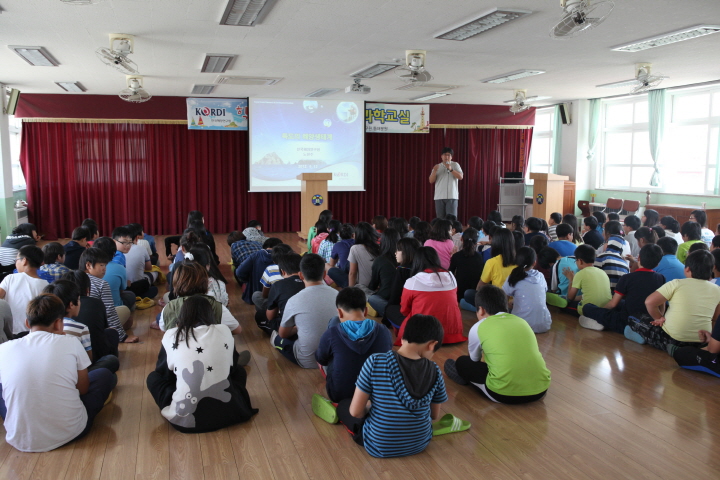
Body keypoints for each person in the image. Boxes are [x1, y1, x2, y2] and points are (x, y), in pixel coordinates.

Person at [318, 314, 447, 458]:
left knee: (345, 405)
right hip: (420, 443)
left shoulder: (375, 361)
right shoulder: (435, 370)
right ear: (432, 344)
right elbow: (434, 415)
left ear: (404, 336)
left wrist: (369, 407)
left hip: (378, 444)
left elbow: (355, 413)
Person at [0, 293, 116, 452]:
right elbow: (83, 389)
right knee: (105, 375)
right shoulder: (70, 342)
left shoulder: (4, 348)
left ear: (27, 323)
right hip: (70, 432)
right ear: (58, 323)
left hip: (19, 439)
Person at [146, 296, 257, 433]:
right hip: (232, 414)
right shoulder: (223, 330)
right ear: (210, 314)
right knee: (240, 371)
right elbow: (233, 368)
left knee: (153, 378)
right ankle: (230, 402)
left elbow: (163, 373)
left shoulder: (171, 335)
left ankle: (179, 403)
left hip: (185, 422)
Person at [444, 285, 550, 404]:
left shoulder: (479, 326)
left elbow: (474, 359)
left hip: (502, 394)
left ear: (481, 310)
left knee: (462, 362)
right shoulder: (522, 321)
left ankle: (465, 378)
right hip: (541, 390)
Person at [625, 250, 720, 352]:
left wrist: (658, 318)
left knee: (634, 318)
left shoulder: (677, 283)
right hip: (703, 340)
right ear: (712, 269)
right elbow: (715, 319)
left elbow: (649, 302)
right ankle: (687, 351)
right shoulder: (717, 289)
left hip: (672, 339)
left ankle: (673, 348)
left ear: (687, 269)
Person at [315, 288, 393, 403]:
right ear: (366, 311)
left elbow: (321, 359)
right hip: (376, 396)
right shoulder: (384, 331)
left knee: (330, 351)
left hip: (340, 395)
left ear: (340, 312)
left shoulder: (332, 333)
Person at [580, 244, 666, 333]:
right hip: (648, 320)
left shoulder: (627, 278)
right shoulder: (661, 278)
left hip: (626, 322)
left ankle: (599, 321)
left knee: (588, 307)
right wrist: (659, 319)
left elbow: (613, 304)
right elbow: (661, 304)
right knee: (622, 303)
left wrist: (600, 311)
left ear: (639, 258)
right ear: (657, 263)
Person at [273, 254, 339, 368]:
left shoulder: (294, 300)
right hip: (334, 358)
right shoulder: (338, 295)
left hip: (308, 360)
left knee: (277, 338)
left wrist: (299, 327)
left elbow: (283, 334)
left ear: (301, 275)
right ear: (324, 274)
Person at [44, 280, 120, 373]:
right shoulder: (80, 328)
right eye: (79, 299)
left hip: (50, 373)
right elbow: (88, 361)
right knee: (111, 361)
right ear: (71, 305)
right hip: (75, 375)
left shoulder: (44, 326)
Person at [397, 247, 467, 345]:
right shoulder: (451, 276)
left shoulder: (413, 281)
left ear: (416, 261)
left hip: (423, 335)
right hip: (452, 332)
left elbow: (404, 309)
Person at [159, 261, 242, 336]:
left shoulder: (168, 307)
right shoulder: (216, 306)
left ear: (176, 283)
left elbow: (164, 330)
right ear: (205, 281)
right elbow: (237, 330)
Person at [62, 270, 119, 369]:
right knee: (112, 334)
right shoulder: (96, 303)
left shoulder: (57, 314)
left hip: (66, 363)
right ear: (88, 290)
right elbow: (103, 329)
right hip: (88, 360)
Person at [81, 248, 138, 343]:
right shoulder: (101, 284)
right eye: (101, 265)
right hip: (94, 326)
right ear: (88, 265)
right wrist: (122, 337)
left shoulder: (72, 279)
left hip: (72, 328)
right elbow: (110, 311)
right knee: (126, 312)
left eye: (105, 265)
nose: (104, 269)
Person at [0, 245, 49, 335]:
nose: (15, 263)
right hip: (33, 332)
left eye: (16, 260)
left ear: (24, 261)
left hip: (10, 331)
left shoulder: (11, 278)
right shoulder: (45, 284)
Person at [463, 228, 516, 308]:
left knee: (467, 295)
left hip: (498, 302)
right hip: (515, 303)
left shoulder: (492, 262)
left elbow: (480, 287)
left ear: (495, 242)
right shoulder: (519, 260)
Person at [502, 247, 552, 333]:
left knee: (507, 309)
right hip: (545, 324)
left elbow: (503, 299)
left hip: (521, 326)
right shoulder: (540, 276)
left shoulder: (513, 277)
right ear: (534, 262)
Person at [556, 245, 611, 316]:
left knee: (564, 305)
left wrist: (571, 279)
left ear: (580, 261)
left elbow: (570, 297)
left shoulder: (580, 274)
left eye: (576, 260)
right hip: (605, 309)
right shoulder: (602, 272)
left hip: (589, 310)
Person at [257, 253, 304, 334]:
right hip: (310, 324)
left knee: (260, 315)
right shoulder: (310, 282)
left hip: (289, 328)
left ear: (282, 271)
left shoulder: (278, 285)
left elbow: (270, 316)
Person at [93, 237, 132, 330]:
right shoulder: (118, 267)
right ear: (114, 253)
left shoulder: (88, 271)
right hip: (113, 311)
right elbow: (121, 291)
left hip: (95, 314)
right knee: (130, 296)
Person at [383, 237, 422, 329]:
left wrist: (385, 322)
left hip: (409, 314)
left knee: (382, 304)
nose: (395, 253)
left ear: (407, 252)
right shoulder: (423, 268)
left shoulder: (402, 270)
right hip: (425, 311)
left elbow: (395, 297)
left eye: (398, 250)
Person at [235, 238, 284, 304]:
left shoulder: (255, 255)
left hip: (255, 295)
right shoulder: (285, 257)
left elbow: (239, 272)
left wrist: (248, 280)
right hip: (280, 296)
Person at [367, 228, 400, 317]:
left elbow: (373, 285)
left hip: (386, 298)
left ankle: (389, 314)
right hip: (401, 300)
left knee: (371, 297)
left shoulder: (380, 260)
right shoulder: (404, 259)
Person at [251, 244, 293, 311]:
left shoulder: (270, 269)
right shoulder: (299, 267)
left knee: (256, 295)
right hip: (296, 303)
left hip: (279, 306)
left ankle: (268, 313)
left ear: (274, 261)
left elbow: (265, 295)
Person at [449, 228, 484, 302]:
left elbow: (450, 273)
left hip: (459, 294)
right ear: (476, 242)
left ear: (461, 239)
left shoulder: (456, 256)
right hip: (474, 293)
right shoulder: (479, 257)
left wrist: (452, 257)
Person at [429, 147, 463, 219]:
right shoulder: (437, 166)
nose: (446, 157)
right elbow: (431, 180)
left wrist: (451, 169)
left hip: (452, 196)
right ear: (441, 156)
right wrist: (434, 171)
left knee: (451, 219)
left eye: (449, 155)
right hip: (439, 196)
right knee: (440, 219)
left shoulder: (455, 165)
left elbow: (460, 177)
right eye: (445, 154)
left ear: (451, 157)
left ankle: (452, 230)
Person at [347, 222, 381, 296]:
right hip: (379, 288)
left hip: (363, 288)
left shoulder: (354, 248)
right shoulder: (379, 247)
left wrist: (350, 292)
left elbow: (352, 273)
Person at [326, 223, 355, 288]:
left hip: (345, 278)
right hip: (358, 277)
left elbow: (332, 264)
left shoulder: (338, 245)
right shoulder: (358, 244)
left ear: (339, 235)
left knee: (327, 265)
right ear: (353, 235)